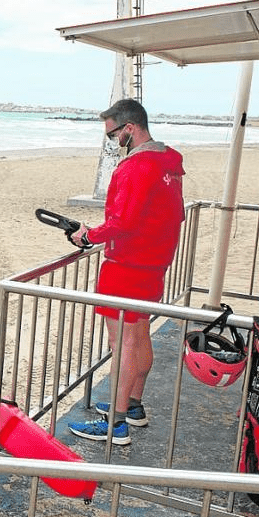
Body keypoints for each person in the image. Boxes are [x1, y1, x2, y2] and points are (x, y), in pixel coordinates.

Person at [67, 98, 186, 446]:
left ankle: (115, 424)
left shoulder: (137, 167)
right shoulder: (168, 163)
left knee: (123, 344)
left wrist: (89, 235)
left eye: (113, 134)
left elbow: (124, 220)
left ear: (130, 129)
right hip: (154, 263)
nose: (112, 141)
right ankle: (132, 405)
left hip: (128, 266)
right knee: (140, 334)